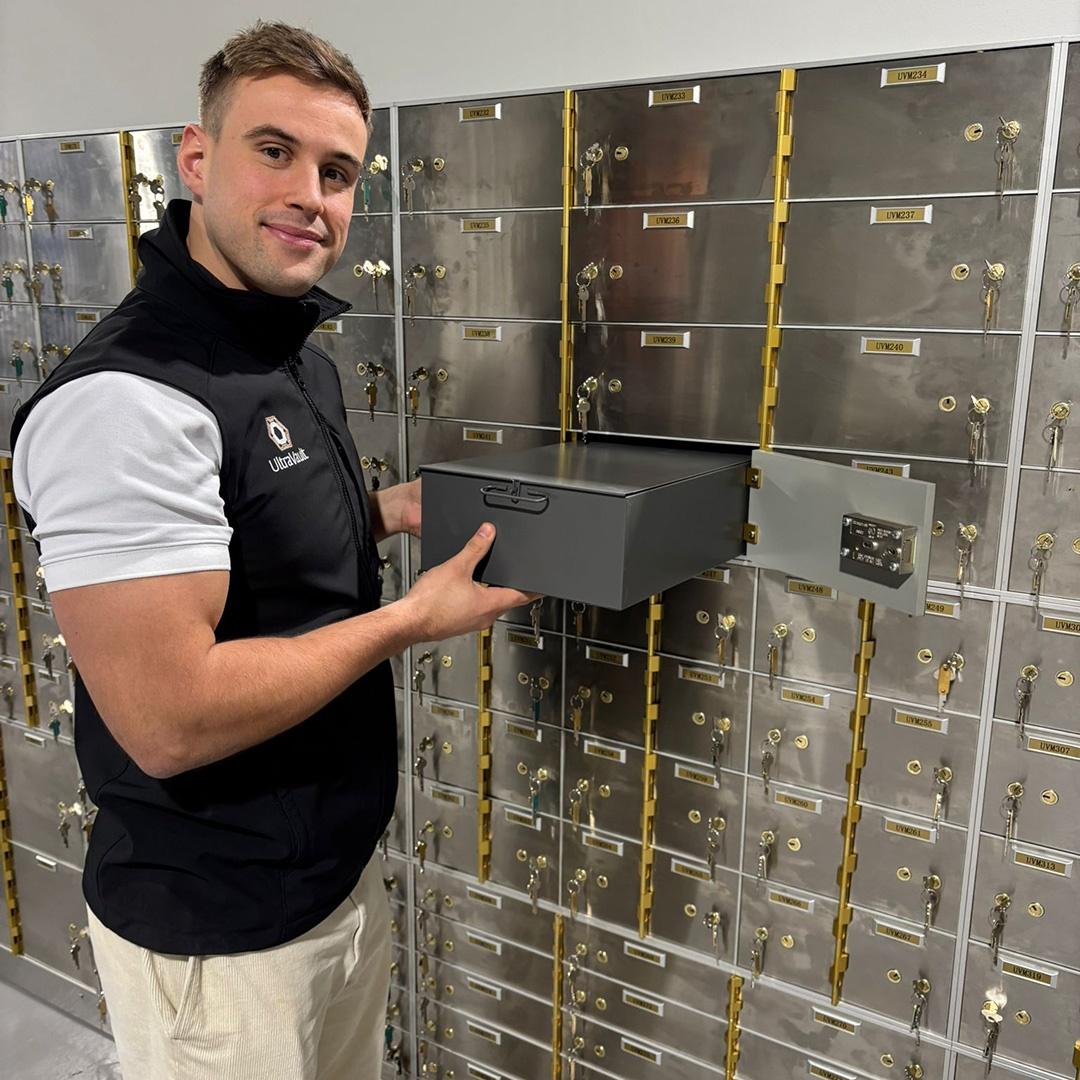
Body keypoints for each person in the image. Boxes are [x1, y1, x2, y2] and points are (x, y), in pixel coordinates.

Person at [11, 21, 532, 1080]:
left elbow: (250, 540)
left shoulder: (287, 358)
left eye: (336, 172)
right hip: (218, 932)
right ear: (196, 160)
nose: (310, 195)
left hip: (328, 883)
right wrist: (409, 622)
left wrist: (385, 511)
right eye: (275, 151)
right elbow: (168, 720)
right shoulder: (128, 403)